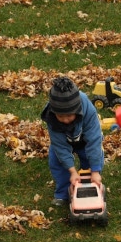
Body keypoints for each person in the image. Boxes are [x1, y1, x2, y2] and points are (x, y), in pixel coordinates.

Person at [41, 76, 105, 206]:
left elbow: (94, 141)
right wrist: (72, 171)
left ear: (77, 110)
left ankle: (90, 186)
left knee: (89, 161)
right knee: (56, 158)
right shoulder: (52, 118)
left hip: (85, 140)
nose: (65, 120)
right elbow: (60, 146)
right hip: (64, 139)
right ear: (54, 113)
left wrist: (95, 171)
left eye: (69, 115)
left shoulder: (88, 111)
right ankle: (63, 193)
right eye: (61, 116)